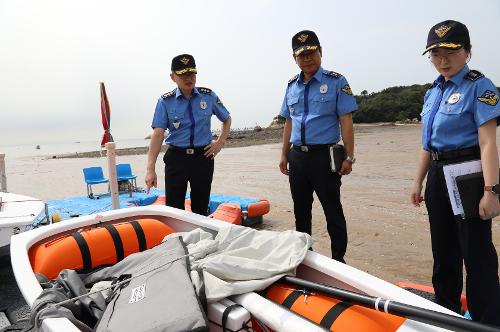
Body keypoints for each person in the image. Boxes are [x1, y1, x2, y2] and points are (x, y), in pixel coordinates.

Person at [410, 20, 500, 325]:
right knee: (443, 250)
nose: (442, 60)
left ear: (468, 52)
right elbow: (427, 144)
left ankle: (487, 320)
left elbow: (488, 143)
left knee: (476, 252)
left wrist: (492, 191)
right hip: (437, 175)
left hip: (468, 175)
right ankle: (446, 311)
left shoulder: (479, 86)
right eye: (435, 54)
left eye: (451, 51)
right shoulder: (431, 93)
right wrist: (417, 181)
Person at [278, 30, 358, 263]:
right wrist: (283, 155)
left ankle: (338, 260)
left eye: (312, 53)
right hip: (297, 158)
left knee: (333, 210)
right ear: (295, 58)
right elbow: (288, 121)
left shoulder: (336, 81)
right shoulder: (291, 85)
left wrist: (350, 157)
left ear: (320, 52)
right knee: (301, 211)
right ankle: (306, 258)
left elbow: (346, 121)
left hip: (325, 157)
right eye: (302, 55)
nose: (307, 58)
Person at [146, 54, 231, 216]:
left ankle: (202, 240)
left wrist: (219, 142)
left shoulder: (208, 96)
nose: (188, 78)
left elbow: (227, 119)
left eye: (191, 74)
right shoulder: (165, 101)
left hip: (203, 157)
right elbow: (158, 135)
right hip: (176, 159)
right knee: (174, 209)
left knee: (201, 206)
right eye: (183, 74)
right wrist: (150, 169)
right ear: (173, 77)